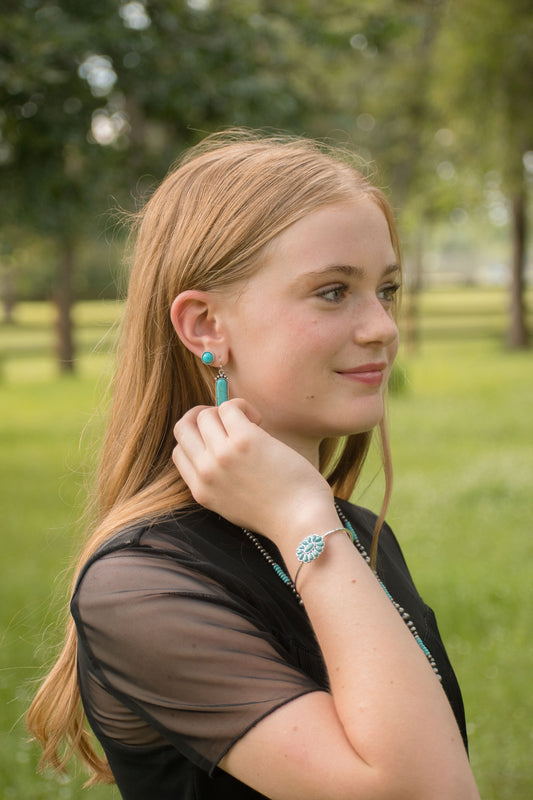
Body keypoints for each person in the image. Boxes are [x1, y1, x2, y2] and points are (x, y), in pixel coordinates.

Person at [27, 130, 480, 799]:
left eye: (385, 290)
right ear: (205, 325)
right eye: (332, 291)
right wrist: (302, 516)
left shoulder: (346, 533)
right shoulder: (138, 587)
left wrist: (309, 520)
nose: (382, 326)